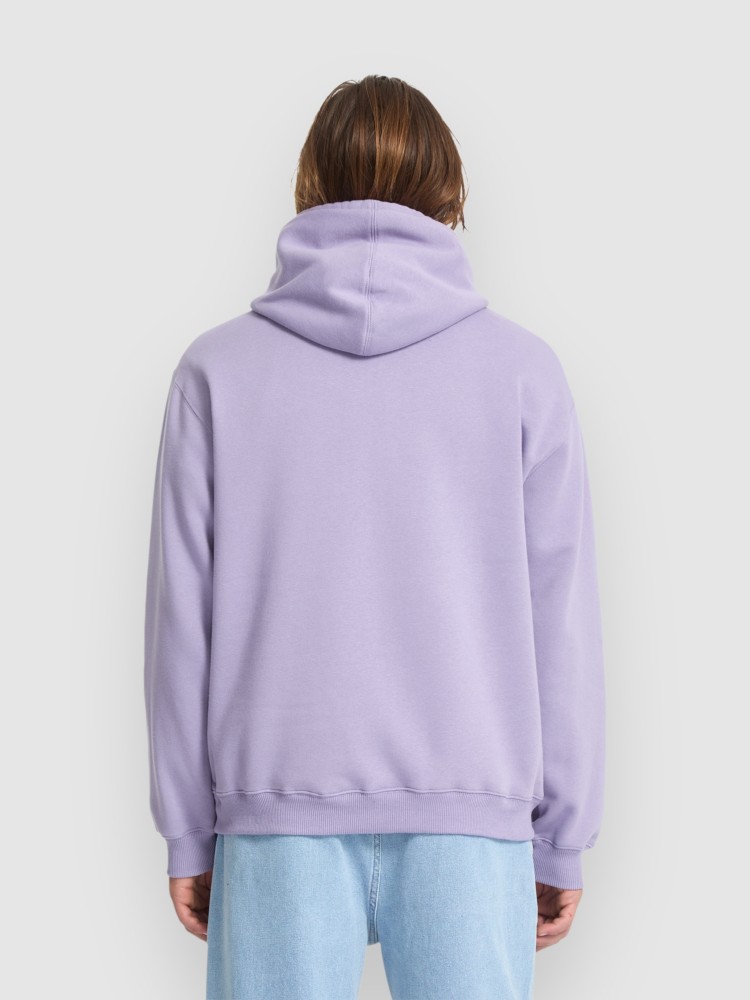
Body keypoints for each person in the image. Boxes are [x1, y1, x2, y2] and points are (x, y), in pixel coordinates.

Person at [143, 74, 606, 1000]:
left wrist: (189, 828)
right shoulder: (522, 373)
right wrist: (562, 834)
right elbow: (562, 620)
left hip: (274, 814)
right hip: (472, 819)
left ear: (309, 185)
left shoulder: (216, 373)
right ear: (450, 194)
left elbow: (179, 625)